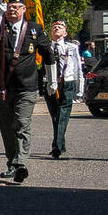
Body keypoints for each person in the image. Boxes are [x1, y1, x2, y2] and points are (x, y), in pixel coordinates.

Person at [0, 0, 54, 183]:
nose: (12, 9)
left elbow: (48, 55)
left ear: (23, 9)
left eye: (16, 7)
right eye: (9, 7)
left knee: (22, 123)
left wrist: (52, 80)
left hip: (26, 88)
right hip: (2, 88)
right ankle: (12, 163)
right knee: (6, 127)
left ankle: (21, 164)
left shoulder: (35, 29)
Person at [44, 20, 84, 158]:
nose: (56, 28)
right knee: (55, 115)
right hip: (50, 83)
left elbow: (78, 67)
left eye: (60, 27)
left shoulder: (72, 47)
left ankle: (57, 146)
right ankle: (61, 144)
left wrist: (80, 88)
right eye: (54, 27)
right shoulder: (46, 47)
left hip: (67, 82)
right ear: (50, 32)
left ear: (65, 33)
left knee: (63, 113)